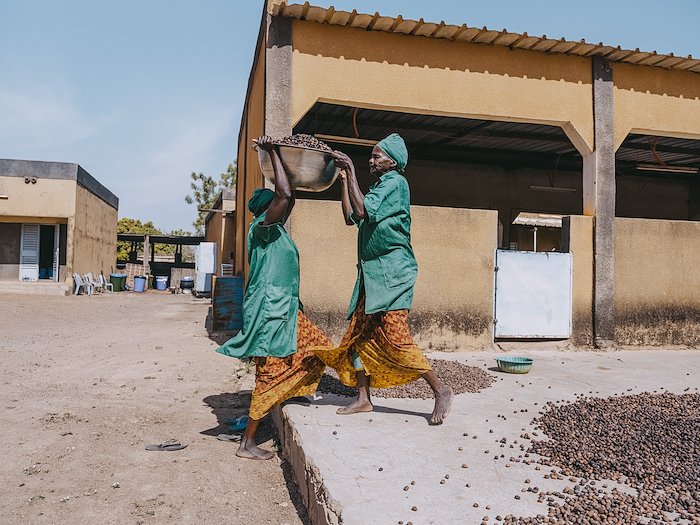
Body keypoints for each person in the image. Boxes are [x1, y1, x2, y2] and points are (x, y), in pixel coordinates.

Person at [319, 133, 453, 425]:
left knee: (395, 337)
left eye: (376, 156)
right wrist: (344, 181)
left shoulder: (395, 184)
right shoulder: (379, 187)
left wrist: (351, 170)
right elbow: (350, 216)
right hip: (372, 276)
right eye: (371, 156)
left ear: (393, 161)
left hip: (393, 274)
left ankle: (441, 389)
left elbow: (362, 209)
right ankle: (364, 399)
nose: (372, 160)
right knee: (357, 337)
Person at [215, 136, 331, 459]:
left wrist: (287, 162)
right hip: (269, 314)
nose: (283, 206)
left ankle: (290, 391)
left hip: (286, 310)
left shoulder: (276, 227)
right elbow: (285, 193)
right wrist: (272, 153)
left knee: (316, 345)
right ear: (268, 209)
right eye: (277, 204)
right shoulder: (261, 228)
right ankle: (247, 443)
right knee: (267, 374)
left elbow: (288, 196)